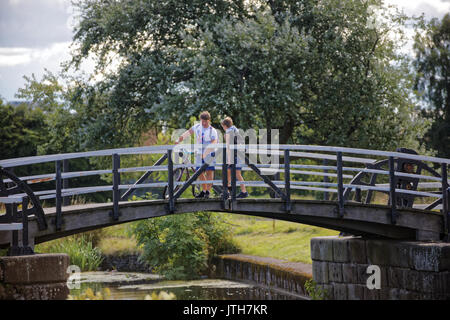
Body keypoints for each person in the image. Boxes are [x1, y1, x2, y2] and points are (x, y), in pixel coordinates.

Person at [176, 111, 218, 198]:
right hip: (199, 153)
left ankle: (207, 192)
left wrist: (206, 151)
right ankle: (204, 189)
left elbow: (214, 142)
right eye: (202, 121)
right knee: (199, 172)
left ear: (209, 120)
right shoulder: (197, 127)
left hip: (209, 154)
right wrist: (179, 139)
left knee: (209, 172)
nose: (203, 123)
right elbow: (188, 132)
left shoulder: (212, 130)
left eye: (205, 121)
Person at [221, 117, 248, 198]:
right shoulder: (235, 131)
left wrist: (229, 160)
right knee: (234, 173)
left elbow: (229, 147)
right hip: (239, 155)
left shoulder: (228, 133)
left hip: (235, 156)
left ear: (225, 126)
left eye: (223, 126)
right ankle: (240, 191)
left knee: (232, 173)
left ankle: (229, 191)